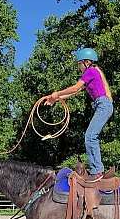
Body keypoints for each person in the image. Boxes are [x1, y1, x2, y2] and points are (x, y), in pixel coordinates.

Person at [44, 47, 113, 180]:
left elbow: (75, 87)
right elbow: (74, 92)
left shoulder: (90, 71)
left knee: (90, 136)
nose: (79, 67)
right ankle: (96, 170)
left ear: (86, 62)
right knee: (90, 136)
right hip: (102, 105)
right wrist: (54, 98)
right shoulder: (92, 73)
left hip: (103, 105)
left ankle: (97, 171)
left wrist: (57, 93)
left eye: (79, 64)